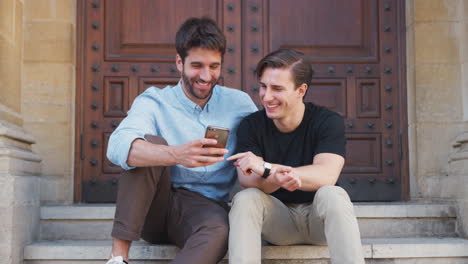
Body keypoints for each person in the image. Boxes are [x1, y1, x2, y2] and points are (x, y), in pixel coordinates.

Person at [105, 17, 257, 264]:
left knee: (219, 231)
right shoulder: (154, 101)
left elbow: (264, 143)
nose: (206, 76)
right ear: (179, 62)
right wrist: (176, 154)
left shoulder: (239, 104)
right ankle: (118, 257)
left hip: (204, 210)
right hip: (155, 208)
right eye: (197, 65)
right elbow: (117, 146)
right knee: (149, 144)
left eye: (214, 66)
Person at [227, 49, 365, 264]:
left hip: (319, 222)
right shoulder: (250, 126)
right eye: (264, 86)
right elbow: (247, 180)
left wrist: (266, 168)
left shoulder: (327, 121)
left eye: (277, 89)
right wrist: (275, 178)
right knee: (245, 199)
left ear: (301, 90)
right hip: (279, 223)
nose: (267, 96)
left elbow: (326, 174)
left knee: (333, 194)